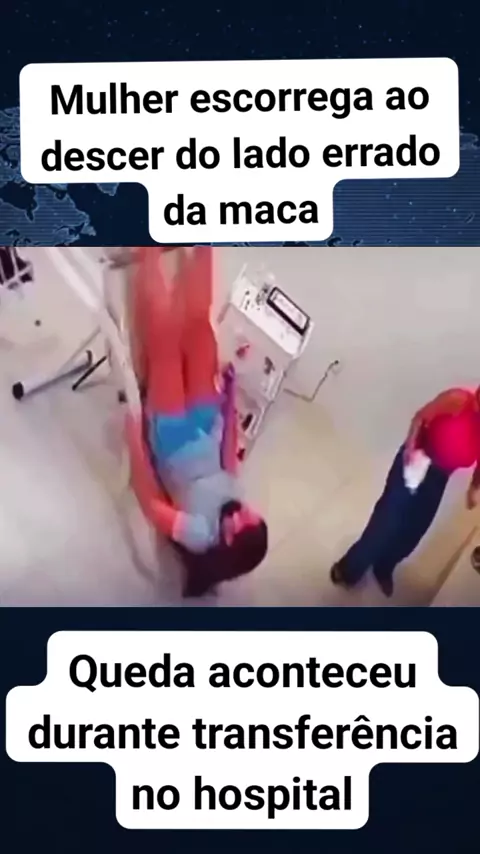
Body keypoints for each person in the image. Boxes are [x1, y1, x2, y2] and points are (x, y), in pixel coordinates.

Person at [124, 246, 268, 598]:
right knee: (200, 329)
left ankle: (148, 253)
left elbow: (152, 506)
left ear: (229, 539)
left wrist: (135, 440)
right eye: (251, 513)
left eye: (243, 519)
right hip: (206, 423)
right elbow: (229, 456)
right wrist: (229, 397)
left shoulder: (201, 534)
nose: (244, 510)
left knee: (165, 344)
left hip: (173, 440)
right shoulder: (237, 503)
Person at [330, 386, 480, 597]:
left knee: (414, 531)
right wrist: (410, 446)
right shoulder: (458, 399)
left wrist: (473, 488)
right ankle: (349, 569)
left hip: (439, 476)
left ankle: (384, 566)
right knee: (387, 519)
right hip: (419, 455)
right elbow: (421, 416)